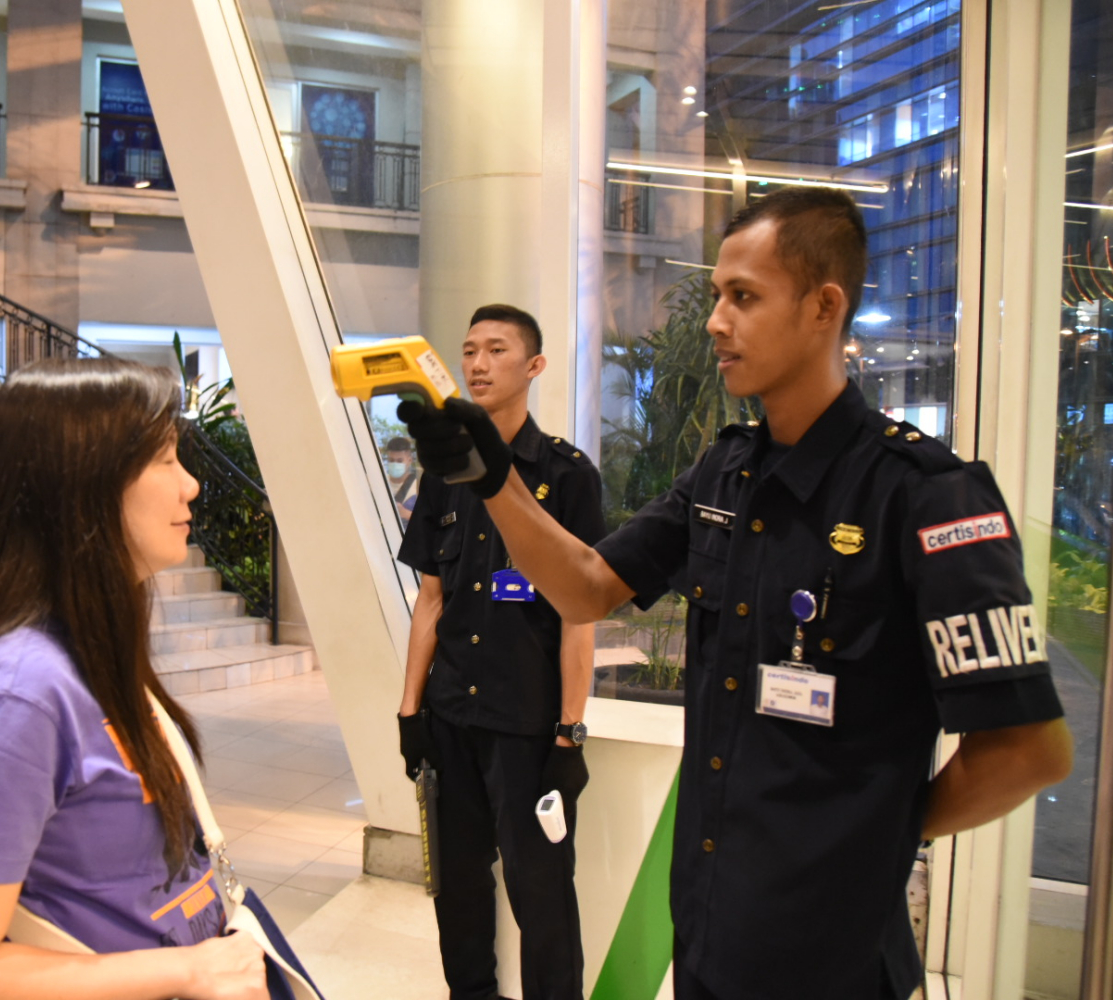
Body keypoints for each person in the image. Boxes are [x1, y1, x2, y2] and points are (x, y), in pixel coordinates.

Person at [400, 188, 1074, 1000]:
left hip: (835, 954)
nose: (716, 321)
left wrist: (876, 830)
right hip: (710, 932)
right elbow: (584, 589)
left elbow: (1030, 749)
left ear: (825, 306)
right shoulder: (724, 474)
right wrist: (493, 480)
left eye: (743, 298)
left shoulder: (925, 495)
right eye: (717, 296)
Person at [0, 357, 267, 1000]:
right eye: (166, 459)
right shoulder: (14, 696)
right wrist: (185, 969)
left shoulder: (88, 651)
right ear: (83, 481)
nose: (192, 486)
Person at [395, 304, 606, 1000]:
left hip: (526, 725)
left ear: (534, 366)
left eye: (496, 350)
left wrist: (570, 732)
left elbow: (581, 616)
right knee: (457, 891)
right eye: (469, 350)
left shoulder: (569, 476)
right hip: (452, 716)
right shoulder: (443, 472)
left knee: (542, 898)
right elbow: (431, 600)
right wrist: (410, 713)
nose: (478, 364)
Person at [385, 436, 420, 524]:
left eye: (399, 461)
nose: (395, 464)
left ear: (409, 460)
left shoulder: (419, 486)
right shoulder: (380, 482)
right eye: (391, 460)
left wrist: (406, 514)